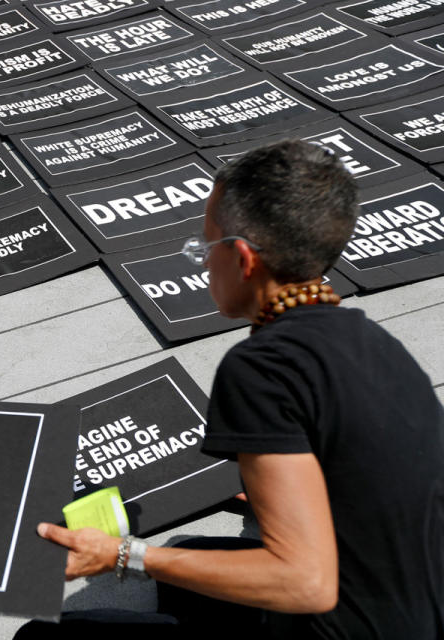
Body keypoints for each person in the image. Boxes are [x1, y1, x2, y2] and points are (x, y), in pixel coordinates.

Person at [23, 140, 444, 639]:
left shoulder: (259, 369)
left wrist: (121, 554)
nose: (202, 262)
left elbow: (305, 583)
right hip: (420, 603)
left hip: (349, 623)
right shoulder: (372, 340)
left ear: (243, 258)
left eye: (206, 245)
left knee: (44, 635)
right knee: (189, 564)